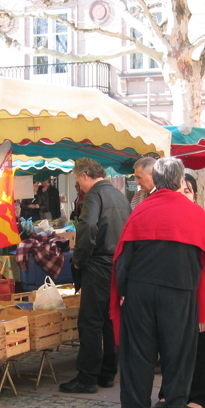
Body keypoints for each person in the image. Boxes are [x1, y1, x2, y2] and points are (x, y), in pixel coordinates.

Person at [111, 158, 205, 408]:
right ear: (181, 181)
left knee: (139, 355)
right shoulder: (192, 212)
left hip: (139, 291)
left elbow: (124, 257)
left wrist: (122, 292)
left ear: (156, 181)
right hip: (178, 292)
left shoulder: (141, 209)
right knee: (178, 354)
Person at [59, 158, 131, 394]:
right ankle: (108, 372)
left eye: (78, 180)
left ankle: (88, 376)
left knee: (90, 321)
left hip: (98, 262)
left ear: (85, 175)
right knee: (109, 318)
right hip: (117, 263)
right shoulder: (120, 196)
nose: (79, 186)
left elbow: (87, 229)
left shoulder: (94, 196)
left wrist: (79, 261)